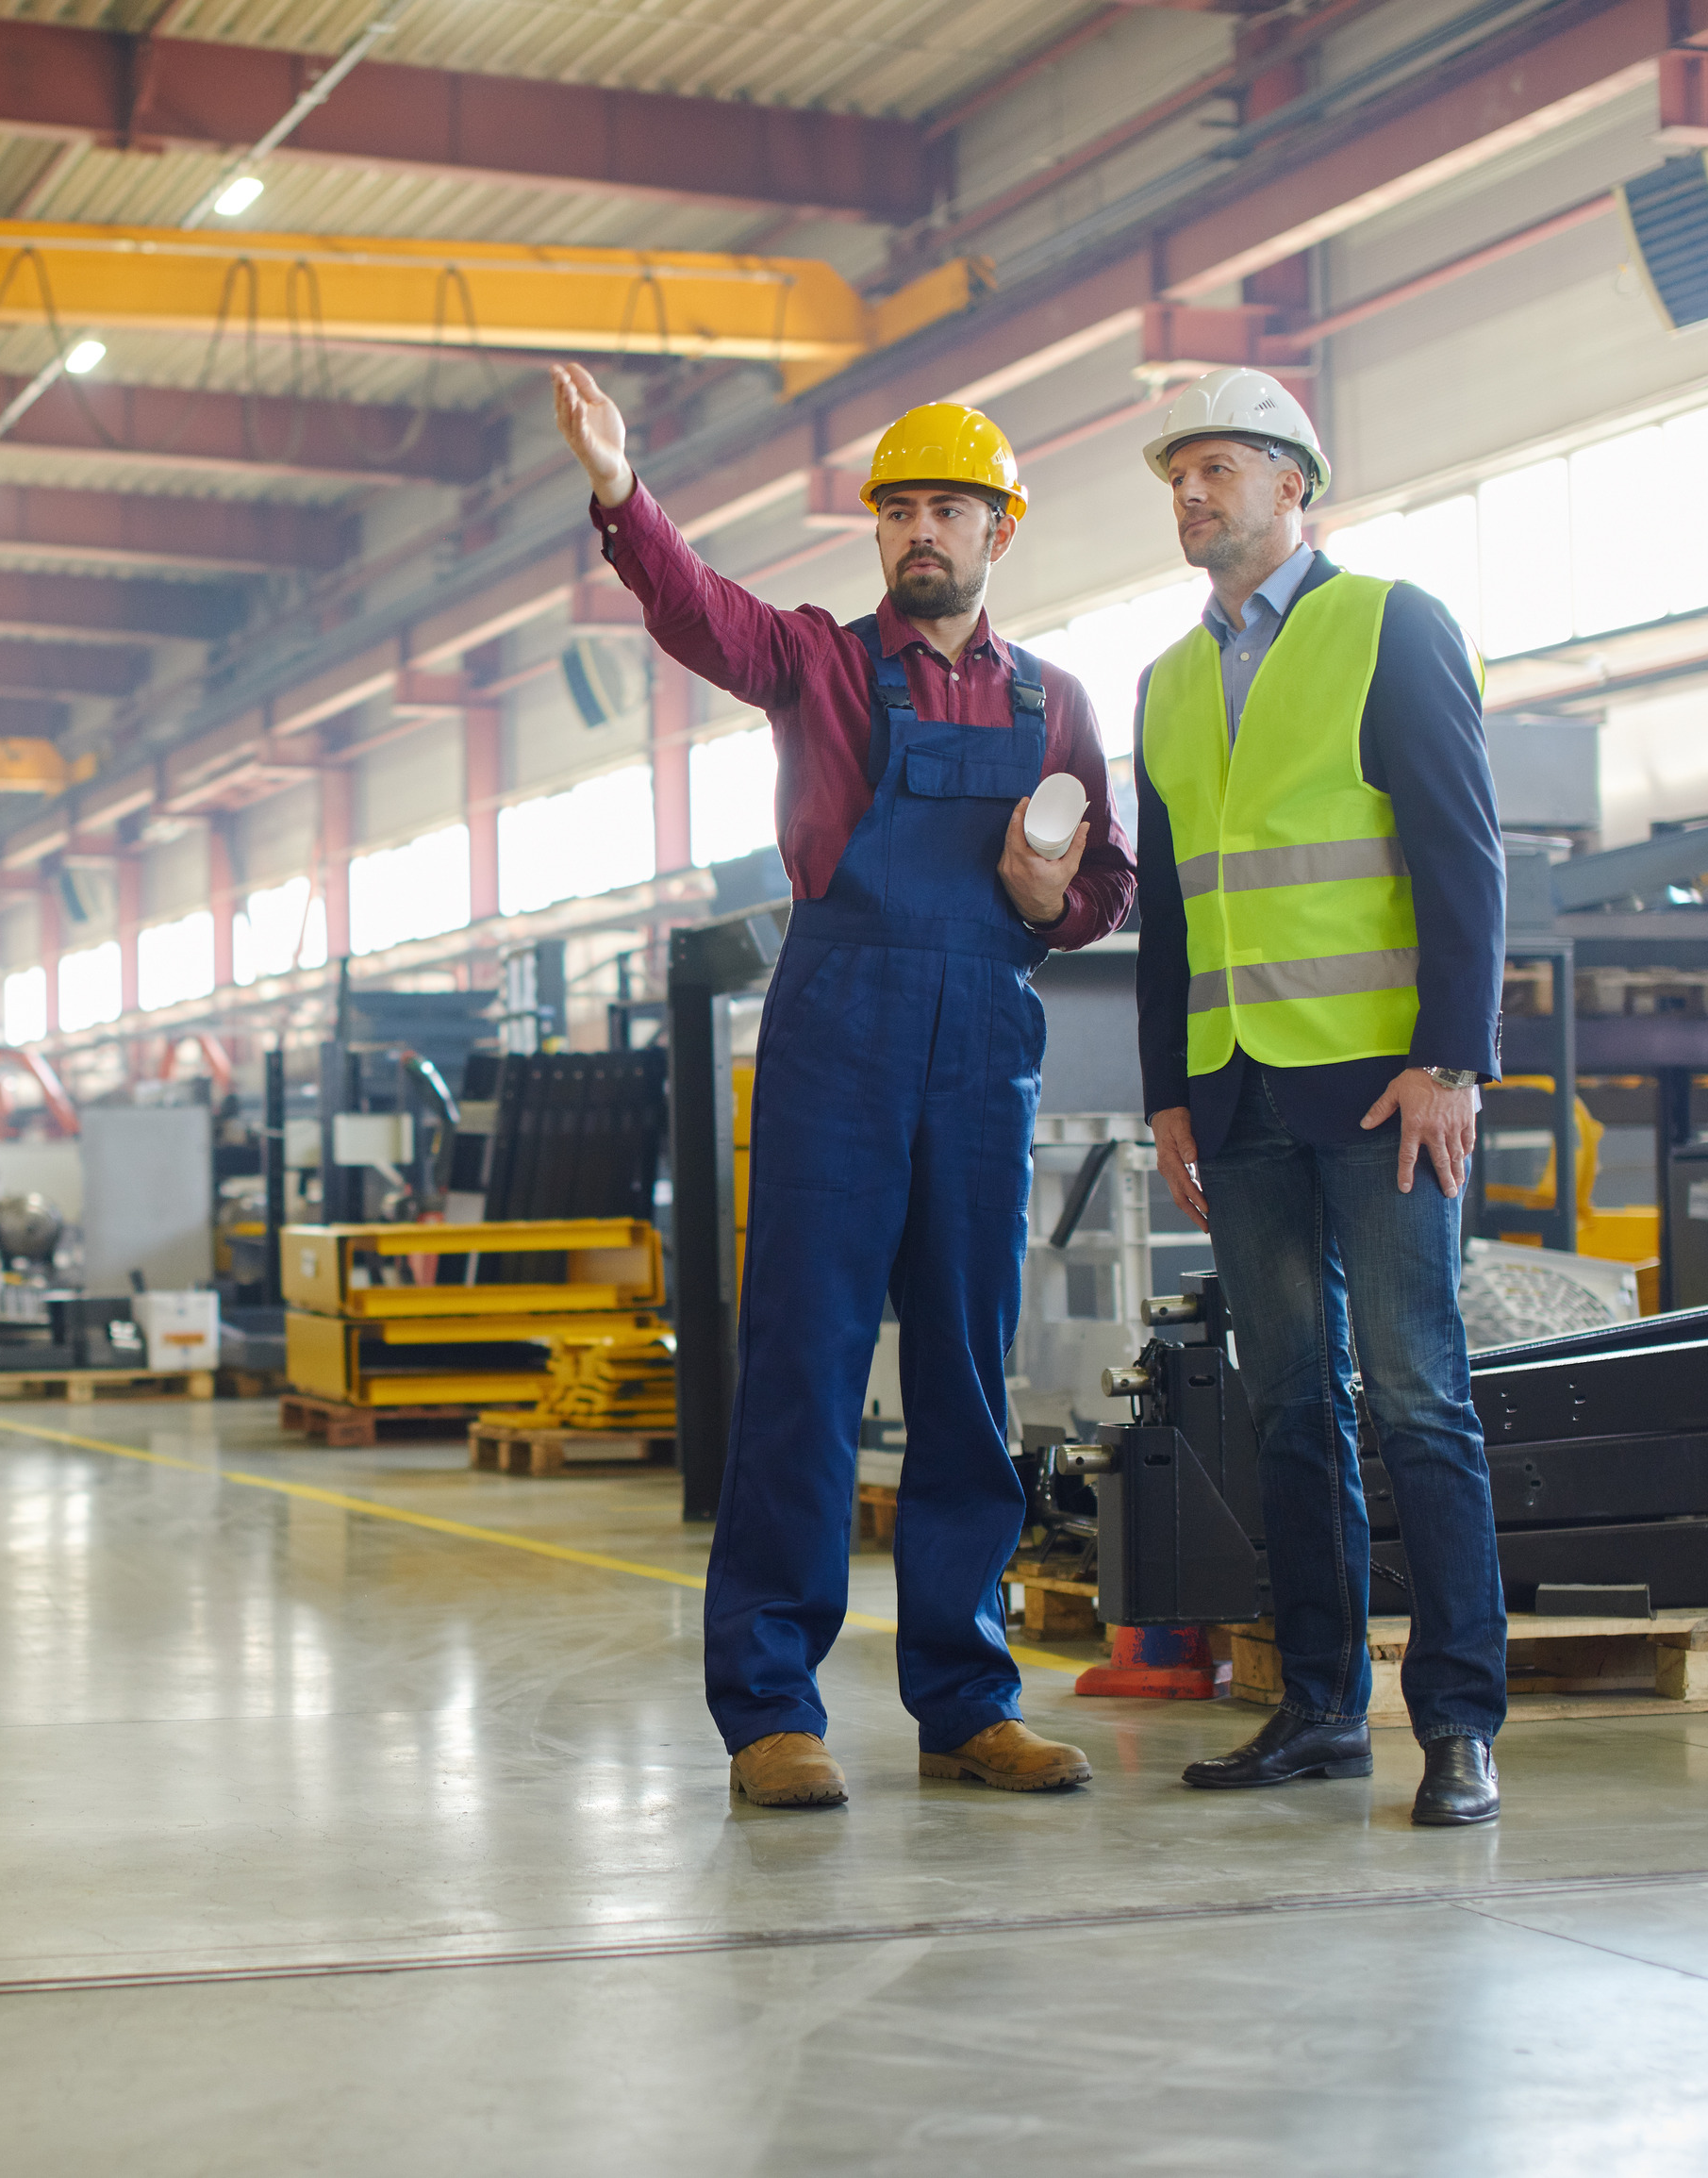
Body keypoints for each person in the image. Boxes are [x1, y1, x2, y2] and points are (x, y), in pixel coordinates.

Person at [554, 361, 1136, 1810]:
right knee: (803, 1372)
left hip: (981, 1043)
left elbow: (1106, 885)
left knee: (965, 1374)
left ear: (1002, 530)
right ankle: (771, 1710)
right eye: (898, 511)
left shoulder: (1056, 703)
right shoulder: (818, 660)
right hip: (839, 1033)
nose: (920, 532)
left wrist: (1050, 892)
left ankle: (968, 1698)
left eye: (948, 508)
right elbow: (700, 613)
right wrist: (623, 492)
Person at [1127, 367, 1508, 1826]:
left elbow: (1463, 857)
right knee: (1289, 1405)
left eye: (1219, 466)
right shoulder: (1167, 683)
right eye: (1178, 475)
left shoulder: (1386, 625)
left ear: (1296, 483)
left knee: (1421, 1400)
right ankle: (1321, 1708)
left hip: (1380, 1089)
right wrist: (1168, 1088)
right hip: (1236, 1098)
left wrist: (1450, 1059)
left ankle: (1462, 1723)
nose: (1194, 493)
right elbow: (1170, 908)